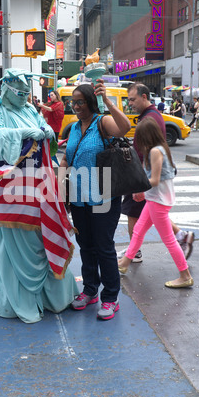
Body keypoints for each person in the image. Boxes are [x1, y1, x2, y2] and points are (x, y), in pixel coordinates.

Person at [0, 68, 79, 324]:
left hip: (35, 187)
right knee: (7, 239)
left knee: (40, 236)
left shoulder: (29, 109)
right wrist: (23, 134)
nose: (23, 98)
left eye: (26, 94)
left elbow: (42, 127)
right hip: (7, 192)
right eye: (19, 93)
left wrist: (47, 132)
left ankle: (49, 296)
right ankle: (13, 300)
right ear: (7, 88)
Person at [59, 81, 131, 320]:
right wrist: (61, 183)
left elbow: (124, 127)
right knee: (86, 246)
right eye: (73, 102)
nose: (75, 106)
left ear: (91, 102)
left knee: (103, 247)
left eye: (80, 101)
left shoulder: (102, 122)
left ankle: (111, 297)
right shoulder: (74, 128)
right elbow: (67, 159)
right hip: (79, 198)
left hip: (104, 196)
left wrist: (108, 101)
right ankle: (90, 290)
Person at [119, 83, 194, 262]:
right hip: (145, 178)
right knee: (150, 215)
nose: (130, 103)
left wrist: (141, 185)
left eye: (132, 99)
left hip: (142, 176)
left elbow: (153, 158)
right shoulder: (150, 116)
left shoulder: (150, 119)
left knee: (135, 213)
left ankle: (136, 255)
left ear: (144, 97)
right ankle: (181, 236)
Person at [118, 118, 193, 288]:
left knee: (168, 240)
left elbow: (155, 179)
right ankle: (124, 263)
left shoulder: (155, 152)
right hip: (156, 199)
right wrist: (144, 192)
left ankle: (185, 275)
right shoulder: (160, 148)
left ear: (146, 136)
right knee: (138, 231)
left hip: (158, 201)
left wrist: (140, 189)